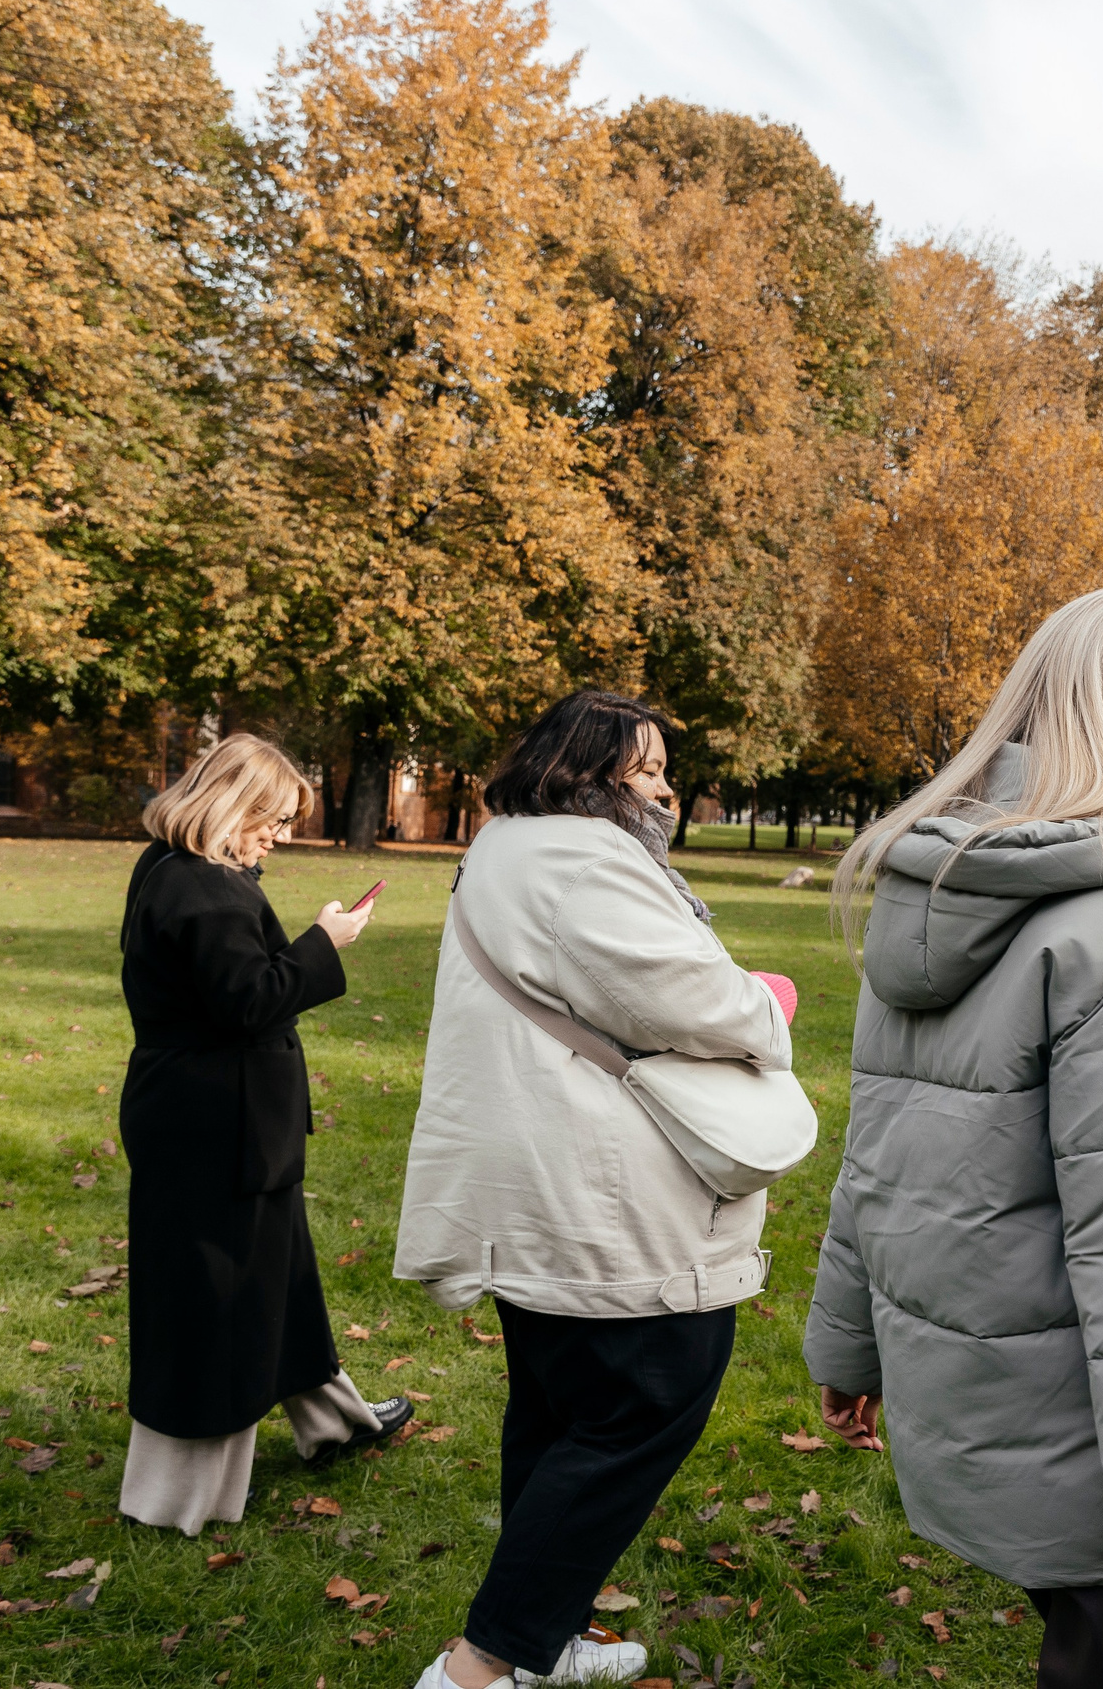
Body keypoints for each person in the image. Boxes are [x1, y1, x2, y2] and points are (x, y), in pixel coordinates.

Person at [804, 587, 1103, 1689]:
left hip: (1008, 1414)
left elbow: (877, 1155)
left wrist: (846, 1345)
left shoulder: (938, 892)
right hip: (1099, 1458)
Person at [394, 690, 799, 1689]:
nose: (661, 784)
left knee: (555, 1417)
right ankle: (479, 1669)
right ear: (585, 767)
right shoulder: (581, 857)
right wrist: (766, 1000)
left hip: (544, 1182)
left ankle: (547, 1637)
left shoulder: (509, 845)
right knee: (638, 1408)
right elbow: (684, 996)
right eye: (645, 766)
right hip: (603, 1192)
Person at [115, 732, 410, 1537]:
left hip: (223, 1118)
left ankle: (336, 1420)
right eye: (271, 820)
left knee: (281, 1279)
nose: (276, 836)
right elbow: (248, 999)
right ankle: (182, 1494)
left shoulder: (187, 873)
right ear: (231, 805)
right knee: (220, 1296)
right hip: (217, 1126)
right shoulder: (201, 888)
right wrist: (325, 942)